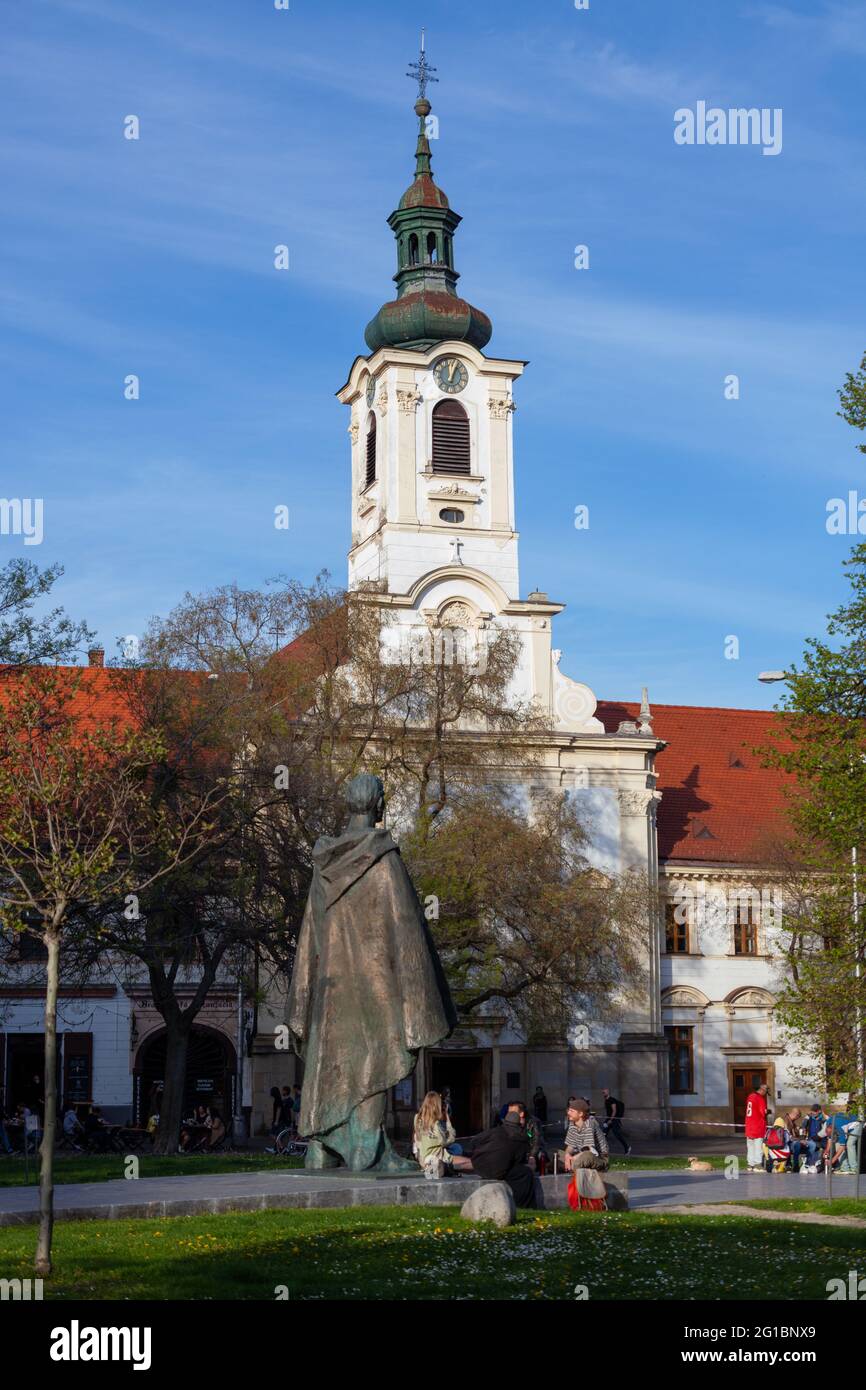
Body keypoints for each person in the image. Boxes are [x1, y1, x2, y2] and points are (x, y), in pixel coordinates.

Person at [462, 1109, 537, 1208]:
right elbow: (519, 1160)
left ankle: (449, 1167)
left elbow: (474, 1142)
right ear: (519, 1124)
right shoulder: (521, 1138)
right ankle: (523, 1205)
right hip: (498, 1171)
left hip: (480, 1166)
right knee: (526, 1173)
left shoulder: (495, 1131)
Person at [412, 1091, 472, 1179]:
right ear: (437, 1105)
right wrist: (447, 1118)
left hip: (423, 1159)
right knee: (469, 1162)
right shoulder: (435, 1124)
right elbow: (448, 1141)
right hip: (436, 1158)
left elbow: (416, 1138)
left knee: (456, 1148)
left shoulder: (417, 1118)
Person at [562, 1099, 609, 1173]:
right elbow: (570, 1146)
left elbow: (588, 1149)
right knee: (555, 1154)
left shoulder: (589, 1123)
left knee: (585, 1157)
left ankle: (572, 1169)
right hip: (579, 1155)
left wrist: (573, 1158)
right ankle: (567, 1167)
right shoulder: (572, 1123)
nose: (568, 1113)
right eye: (568, 1110)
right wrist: (567, 1155)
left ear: (580, 1114)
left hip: (598, 1158)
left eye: (571, 1111)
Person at [744, 1082, 768, 1172]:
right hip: (757, 1125)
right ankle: (758, 1165)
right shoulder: (760, 1098)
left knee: (750, 1146)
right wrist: (767, 1112)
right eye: (765, 1092)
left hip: (749, 1125)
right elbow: (763, 1112)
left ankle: (750, 1165)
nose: (765, 1094)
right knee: (758, 1146)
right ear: (762, 1089)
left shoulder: (750, 1096)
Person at [601, 1088, 631, 1155]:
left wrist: (610, 1120)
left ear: (608, 1092)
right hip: (609, 1119)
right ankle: (602, 1150)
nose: (604, 1093)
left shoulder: (612, 1100)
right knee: (603, 1134)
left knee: (617, 1135)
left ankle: (627, 1148)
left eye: (605, 1092)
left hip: (614, 1120)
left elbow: (614, 1111)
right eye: (603, 1092)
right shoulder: (606, 1100)